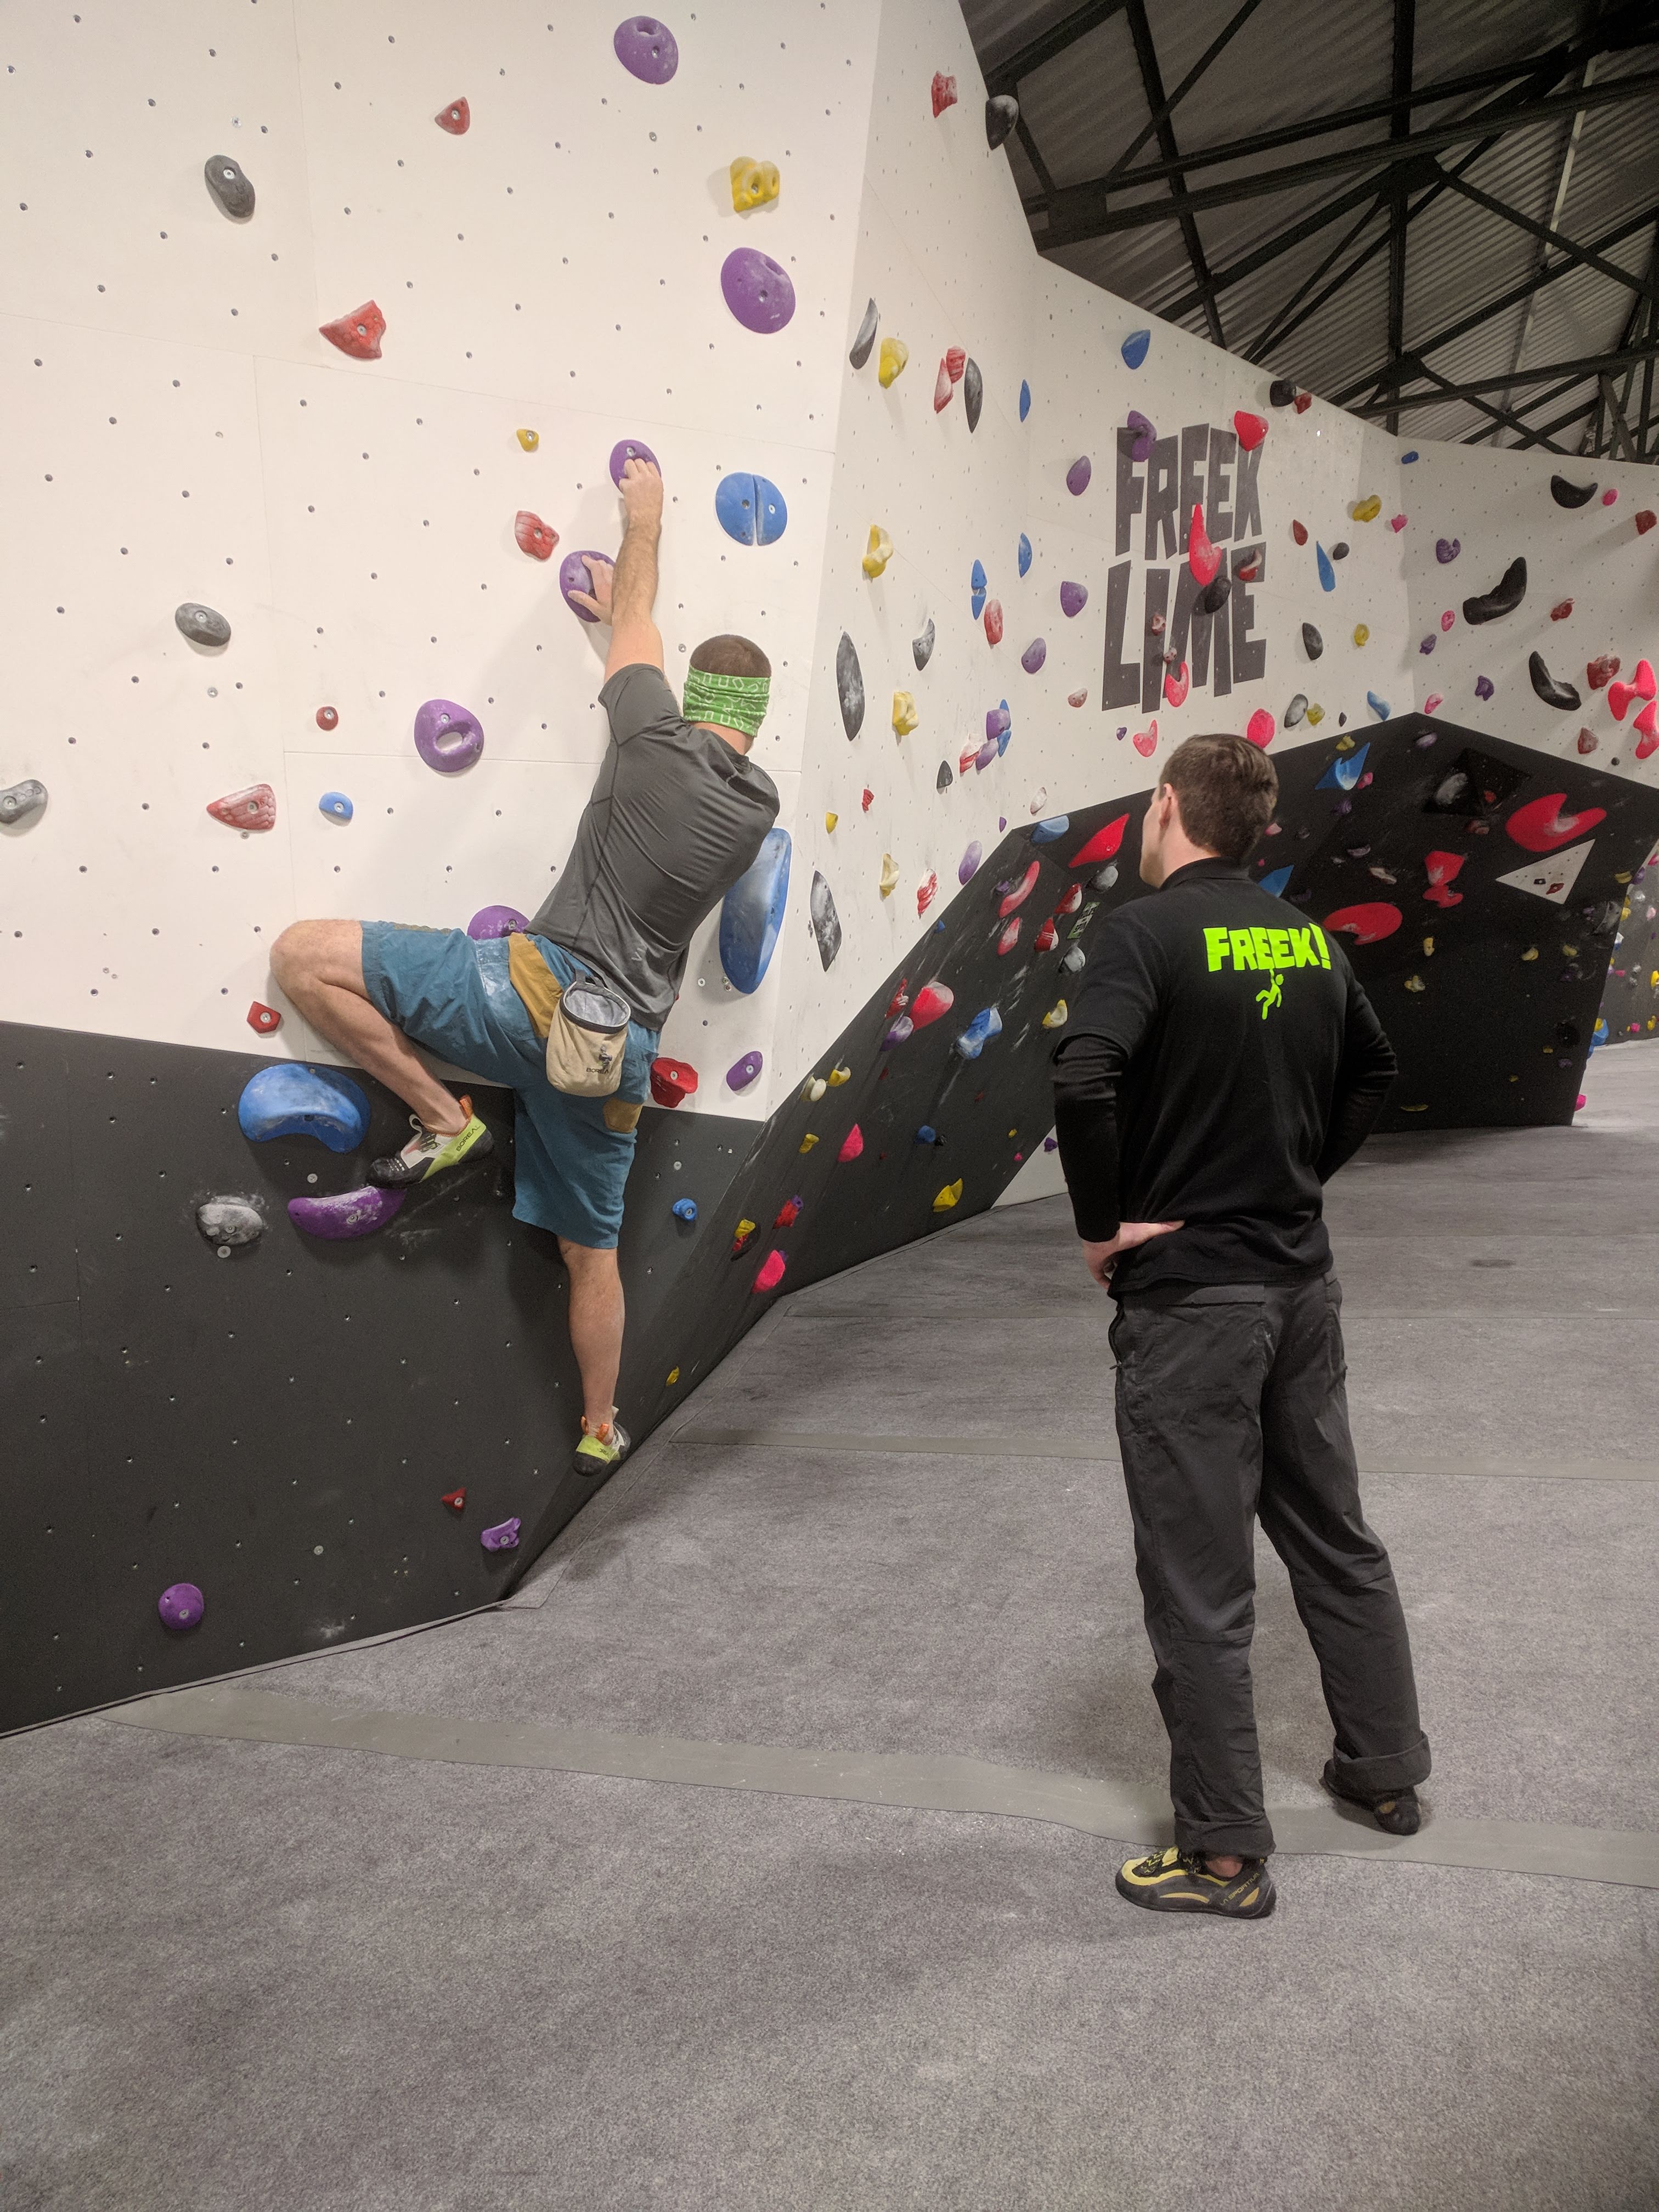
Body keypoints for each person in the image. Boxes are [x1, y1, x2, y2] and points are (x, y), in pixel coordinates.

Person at [271, 459, 780, 1479]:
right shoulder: (756, 806)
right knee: (592, 1258)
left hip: (523, 996)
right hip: (616, 1054)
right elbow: (655, 664)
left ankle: (443, 1122)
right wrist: (623, 640)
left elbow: (634, 612)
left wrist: (646, 516)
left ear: (690, 697)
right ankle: (602, 1424)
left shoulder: (648, 736)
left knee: (303, 958)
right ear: (753, 722)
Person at [1050, 732, 1428, 1921]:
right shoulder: (1306, 935)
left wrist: (1103, 1225)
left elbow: (1083, 1076)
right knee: (1337, 1538)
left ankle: (1222, 1855)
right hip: (1300, 1289)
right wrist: (1301, 1167)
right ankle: (1385, 1774)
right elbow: (1373, 1069)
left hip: (1192, 1308)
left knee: (1199, 1581)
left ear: (1166, 808)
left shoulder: (1142, 934)